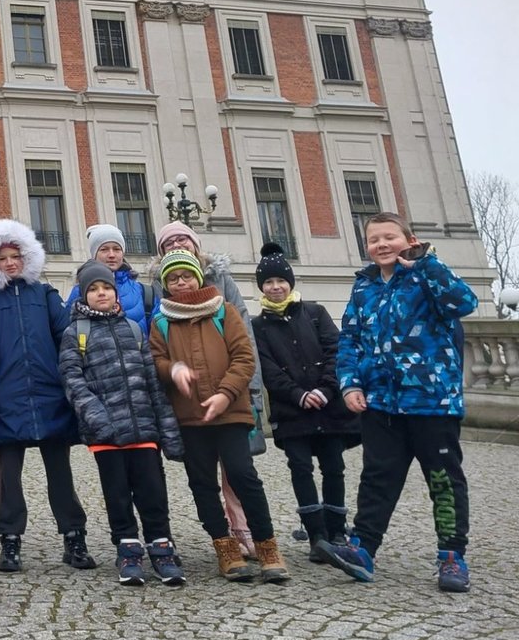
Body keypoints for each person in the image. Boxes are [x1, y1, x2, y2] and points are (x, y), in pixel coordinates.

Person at [325, 213, 479, 592]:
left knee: (443, 480)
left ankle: (451, 555)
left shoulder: (426, 275)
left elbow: (465, 303)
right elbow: (350, 340)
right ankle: (363, 549)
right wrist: (349, 385)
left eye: (389, 237)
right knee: (376, 478)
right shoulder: (363, 287)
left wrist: (426, 262)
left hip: (431, 402)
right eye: (374, 239)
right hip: (380, 404)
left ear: (409, 239)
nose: (381, 245)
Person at [150, 249, 289, 583]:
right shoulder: (162, 321)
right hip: (190, 418)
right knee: (201, 483)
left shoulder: (223, 311)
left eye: (185, 275)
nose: (180, 282)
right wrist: (173, 369)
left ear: (197, 276)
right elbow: (156, 360)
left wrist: (225, 394)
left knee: (244, 476)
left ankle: (267, 546)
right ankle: (224, 546)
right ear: (166, 285)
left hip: (230, 413)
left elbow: (244, 357)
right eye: (173, 278)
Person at [0, 220, 93, 574]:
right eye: (3, 257)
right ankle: (10, 542)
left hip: (50, 396)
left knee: (61, 475)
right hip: (5, 400)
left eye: (15, 256)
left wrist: (66, 383)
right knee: (9, 478)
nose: (10, 263)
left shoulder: (46, 295)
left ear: (27, 258)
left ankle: (74, 537)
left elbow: (67, 339)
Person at [59, 261, 185, 586]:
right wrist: (98, 417)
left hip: (142, 429)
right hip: (106, 434)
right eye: (94, 289)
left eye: (106, 287)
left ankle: (161, 547)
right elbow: (73, 380)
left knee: (152, 492)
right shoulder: (76, 333)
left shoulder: (134, 328)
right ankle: (127, 549)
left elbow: (153, 383)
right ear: (84, 296)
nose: (101, 293)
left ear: (115, 292)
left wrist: (167, 430)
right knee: (117, 495)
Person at [251, 242, 360, 562]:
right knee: (300, 468)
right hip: (292, 410)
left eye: (280, 281)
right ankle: (316, 534)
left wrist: (326, 390)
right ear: (262, 287)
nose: (275, 287)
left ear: (290, 282)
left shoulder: (316, 312)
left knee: (334, 467)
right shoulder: (258, 326)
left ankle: (337, 528)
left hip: (329, 406)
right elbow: (267, 368)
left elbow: (336, 352)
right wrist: (298, 394)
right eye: (268, 283)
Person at [65, 225, 154, 331]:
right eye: (104, 249)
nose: (111, 255)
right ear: (94, 254)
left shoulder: (144, 292)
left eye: (117, 249)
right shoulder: (79, 291)